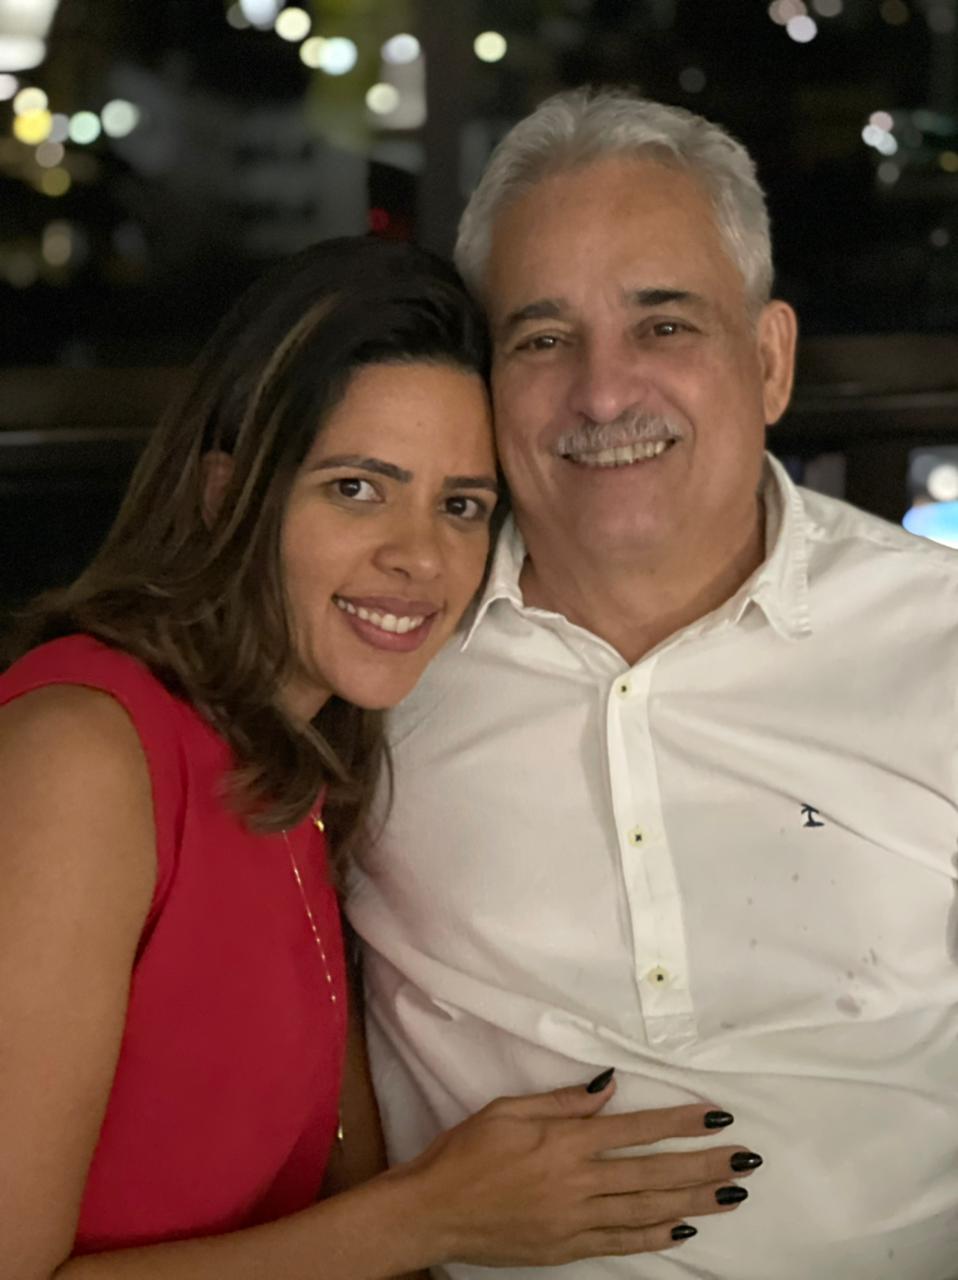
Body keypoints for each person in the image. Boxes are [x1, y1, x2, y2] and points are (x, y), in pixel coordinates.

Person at [0, 236, 751, 1279]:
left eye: (461, 505)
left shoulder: (303, 761)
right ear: (226, 493)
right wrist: (433, 1215)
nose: (419, 555)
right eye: (357, 488)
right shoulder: (82, 755)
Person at [348, 90, 958, 1280]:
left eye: (663, 323)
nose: (603, 392)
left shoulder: (938, 637)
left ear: (767, 359)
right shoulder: (383, 650)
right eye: (541, 339)